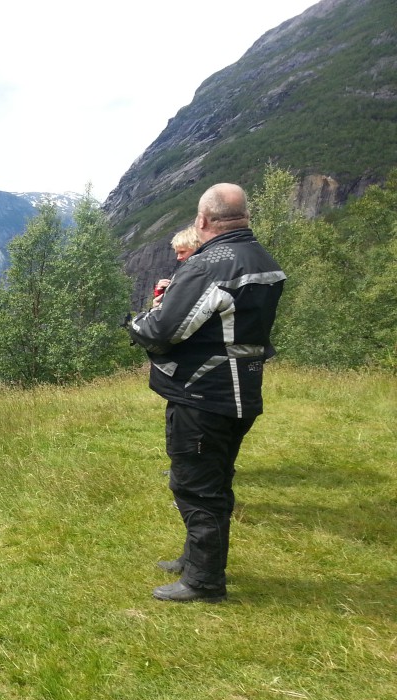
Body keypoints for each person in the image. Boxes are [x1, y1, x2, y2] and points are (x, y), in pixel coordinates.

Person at [126, 183, 286, 603]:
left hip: (203, 391)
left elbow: (162, 332)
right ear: (244, 216)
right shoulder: (262, 259)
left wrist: (136, 323)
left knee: (195, 486)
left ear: (202, 220)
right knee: (215, 479)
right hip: (242, 388)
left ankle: (204, 582)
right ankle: (193, 560)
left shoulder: (208, 265)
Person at [152, 225, 203, 307]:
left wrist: (158, 308)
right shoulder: (190, 271)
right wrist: (162, 294)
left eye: (182, 252)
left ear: (197, 247)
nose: (178, 258)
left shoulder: (200, 274)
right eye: (177, 253)